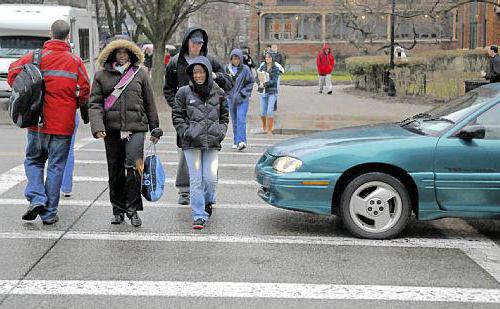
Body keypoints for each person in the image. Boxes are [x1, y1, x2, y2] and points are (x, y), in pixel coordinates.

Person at [7, 20, 90, 225]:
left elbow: (12, 75)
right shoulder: (75, 62)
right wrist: (74, 104)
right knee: (56, 166)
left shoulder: (34, 57)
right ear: (68, 37)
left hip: (37, 122)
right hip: (63, 124)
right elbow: (85, 91)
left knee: (34, 160)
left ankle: (36, 197)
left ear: (50, 34)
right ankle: (49, 212)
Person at [89, 37, 162, 227]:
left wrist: (155, 127)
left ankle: (133, 209)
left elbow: (149, 103)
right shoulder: (100, 76)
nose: (122, 55)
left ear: (130, 53)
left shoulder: (140, 74)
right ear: (112, 54)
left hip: (137, 128)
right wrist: (98, 127)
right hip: (111, 130)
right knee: (115, 170)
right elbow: (95, 103)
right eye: (118, 52)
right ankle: (117, 209)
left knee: (134, 167)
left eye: (125, 52)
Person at [163, 27, 232, 206]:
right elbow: (168, 88)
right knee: (185, 157)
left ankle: (209, 191)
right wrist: (177, 106)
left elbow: (228, 83)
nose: (197, 47)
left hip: (208, 116)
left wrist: (215, 75)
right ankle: (184, 190)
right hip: (187, 118)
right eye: (194, 43)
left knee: (209, 157)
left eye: (200, 44)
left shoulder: (210, 60)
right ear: (187, 42)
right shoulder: (175, 62)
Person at [171, 56, 229, 229]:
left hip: (212, 143)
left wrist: (221, 132)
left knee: (210, 179)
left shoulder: (218, 92)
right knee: (196, 180)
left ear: (207, 73)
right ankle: (199, 214)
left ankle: (208, 201)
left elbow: (224, 116)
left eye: (201, 72)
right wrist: (186, 133)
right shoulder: (183, 92)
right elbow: (177, 116)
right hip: (191, 144)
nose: (198, 75)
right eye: (195, 72)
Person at [225, 49, 254, 150]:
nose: (235, 61)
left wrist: (244, 93)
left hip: (242, 99)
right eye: (233, 59)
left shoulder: (245, 69)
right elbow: (223, 82)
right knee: (234, 121)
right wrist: (226, 93)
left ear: (240, 59)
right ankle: (236, 141)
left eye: (237, 58)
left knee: (241, 119)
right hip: (231, 99)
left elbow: (250, 82)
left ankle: (242, 141)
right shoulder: (227, 69)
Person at [256, 52, 280, 135]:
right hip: (263, 92)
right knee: (262, 112)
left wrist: (265, 84)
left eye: (269, 57)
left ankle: (269, 129)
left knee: (270, 111)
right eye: (266, 57)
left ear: (272, 58)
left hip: (272, 92)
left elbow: (274, 80)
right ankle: (264, 126)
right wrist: (259, 83)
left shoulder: (275, 68)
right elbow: (257, 76)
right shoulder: (263, 67)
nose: (267, 59)